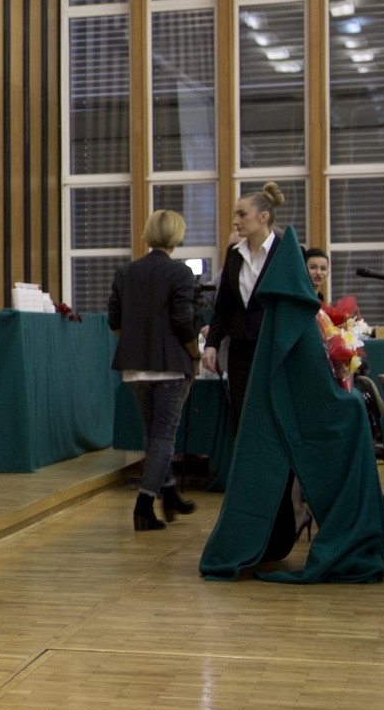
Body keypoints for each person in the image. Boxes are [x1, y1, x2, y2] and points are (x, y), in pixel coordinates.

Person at [110, 211, 202, 532]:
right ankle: (144, 505)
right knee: (164, 436)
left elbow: (114, 321)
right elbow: (183, 321)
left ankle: (169, 491)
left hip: (136, 367)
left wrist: (137, 346)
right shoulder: (180, 272)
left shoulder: (126, 271)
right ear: (177, 235)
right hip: (171, 366)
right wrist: (194, 356)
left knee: (152, 433)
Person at [204, 182, 288, 429]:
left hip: (273, 347)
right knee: (242, 415)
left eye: (242, 214)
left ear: (263, 217)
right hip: (240, 348)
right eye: (235, 214)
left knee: (274, 415)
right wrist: (212, 345)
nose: (235, 221)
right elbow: (223, 306)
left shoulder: (285, 251)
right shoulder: (234, 253)